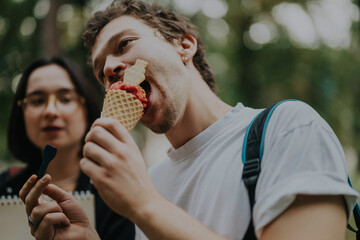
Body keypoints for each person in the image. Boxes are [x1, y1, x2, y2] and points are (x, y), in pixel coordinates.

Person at [19, 1, 359, 239]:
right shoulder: (150, 179)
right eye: (101, 71)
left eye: (124, 44)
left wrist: (145, 205)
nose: (109, 69)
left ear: (184, 45)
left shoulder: (289, 128)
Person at [0, 56, 134, 239]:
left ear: (85, 109)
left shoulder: (116, 192)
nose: (51, 111)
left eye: (65, 98)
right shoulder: (4, 187)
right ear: (21, 113)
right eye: (37, 101)